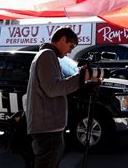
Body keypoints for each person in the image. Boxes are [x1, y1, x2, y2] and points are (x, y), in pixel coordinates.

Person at [26, 26, 90, 168]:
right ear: (62, 39)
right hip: (47, 130)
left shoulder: (48, 55)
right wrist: (80, 78)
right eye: (71, 45)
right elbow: (53, 89)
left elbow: (54, 86)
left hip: (46, 128)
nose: (71, 51)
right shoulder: (47, 55)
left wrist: (80, 81)